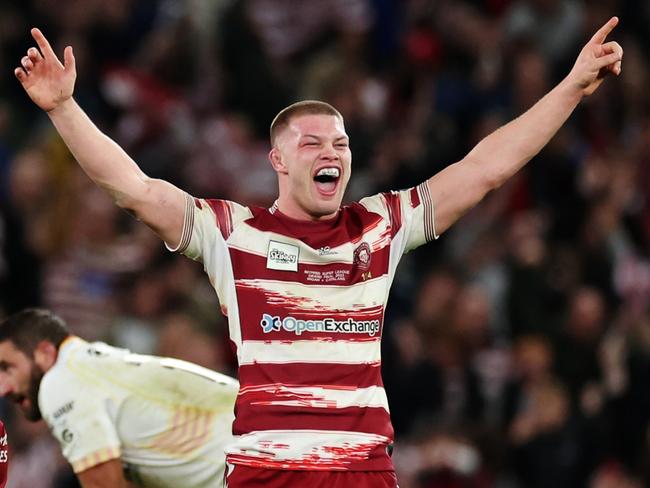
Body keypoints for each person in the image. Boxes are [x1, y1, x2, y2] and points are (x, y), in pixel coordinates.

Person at [13, 18, 623, 487]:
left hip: (361, 470)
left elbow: (485, 168)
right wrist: (65, 109)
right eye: (312, 142)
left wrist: (570, 89)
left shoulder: (379, 226)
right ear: (278, 160)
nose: (331, 150)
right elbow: (136, 191)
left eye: (341, 141)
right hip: (265, 473)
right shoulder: (234, 234)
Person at [0, 308, 238, 488]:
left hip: (249, 463)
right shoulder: (95, 365)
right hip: (259, 438)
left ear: (45, 353)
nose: (3, 389)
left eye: (7, 368)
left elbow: (105, 485)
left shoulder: (60, 380)